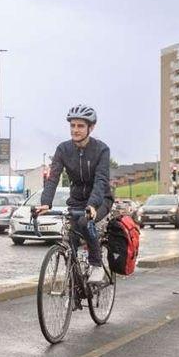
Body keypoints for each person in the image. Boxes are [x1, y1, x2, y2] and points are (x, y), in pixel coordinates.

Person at [34, 104, 114, 280]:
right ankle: (74, 287)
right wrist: (46, 202)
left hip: (100, 200)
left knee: (86, 222)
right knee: (71, 239)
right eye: (72, 125)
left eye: (80, 126)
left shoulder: (102, 150)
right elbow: (53, 178)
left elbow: (101, 181)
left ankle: (96, 264)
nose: (75, 130)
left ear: (90, 128)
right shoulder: (63, 149)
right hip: (77, 200)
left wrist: (93, 205)